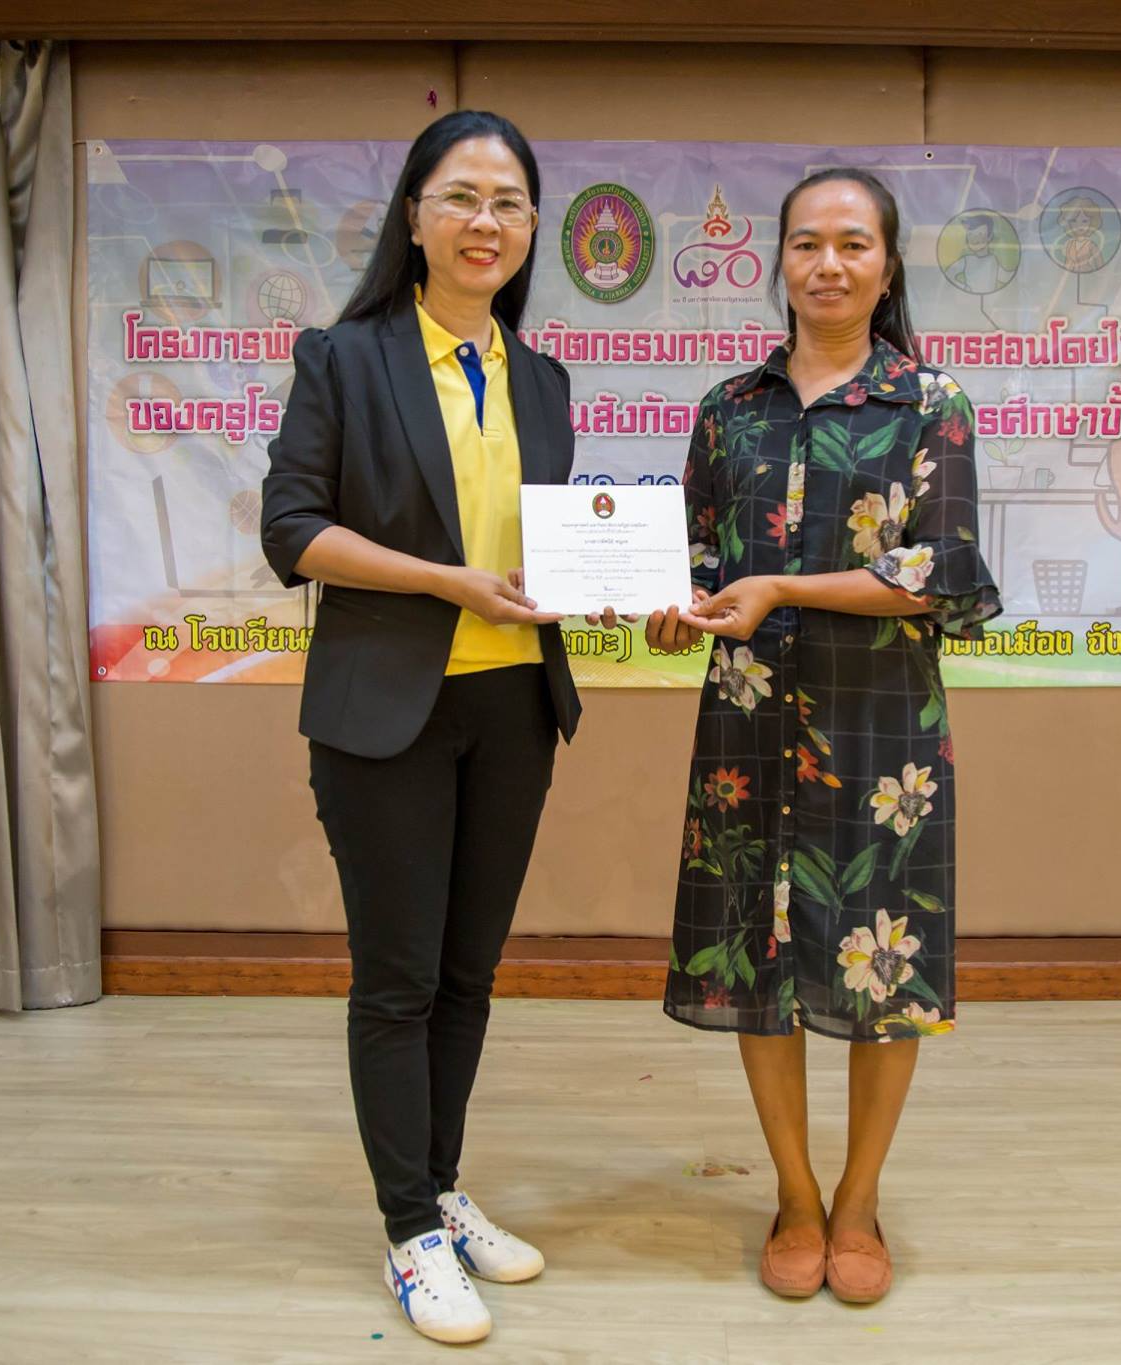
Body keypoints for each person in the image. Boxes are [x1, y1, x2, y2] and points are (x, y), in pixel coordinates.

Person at [260, 109, 589, 1346]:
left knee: (466, 976)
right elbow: (292, 531)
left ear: (530, 227)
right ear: (414, 216)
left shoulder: (541, 379)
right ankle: (407, 1232)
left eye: (507, 202)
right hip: (385, 712)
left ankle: (441, 1190)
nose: (483, 222)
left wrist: (602, 578)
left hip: (514, 709)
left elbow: (544, 545)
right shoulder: (344, 359)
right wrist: (448, 582)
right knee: (396, 982)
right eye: (460, 197)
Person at [648, 168, 1001, 1305]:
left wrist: (776, 589)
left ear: (886, 267)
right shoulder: (727, 409)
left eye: (853, 243)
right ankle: (795, 1196)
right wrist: (673, 610)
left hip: (882, 736)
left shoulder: (929, 403)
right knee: (759, 956)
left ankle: (858, 1201)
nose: (829, 264)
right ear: (780, 263)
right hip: (748, 726)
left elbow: (936, 572)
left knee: (881, 964)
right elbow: (699, 562)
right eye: (807, 243)